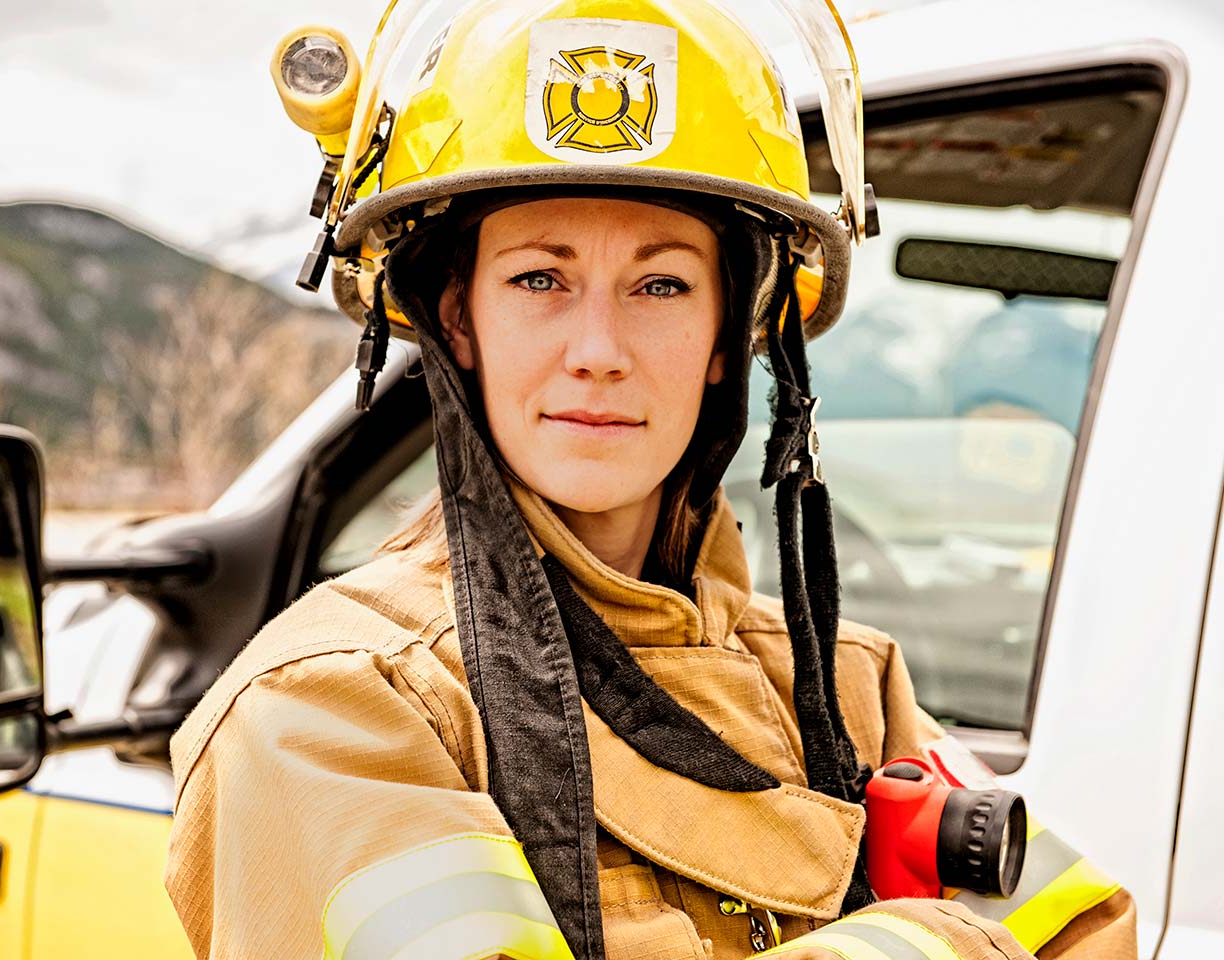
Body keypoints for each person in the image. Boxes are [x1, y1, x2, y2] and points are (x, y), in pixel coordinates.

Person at [164, 1, 1137, 957]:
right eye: (539, 280)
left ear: (728, 333)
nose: (598, 350)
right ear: (457, 321)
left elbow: (1083, 933)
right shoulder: (338, 706)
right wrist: (936, 940)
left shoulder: (847, 687)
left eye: (661, 284)